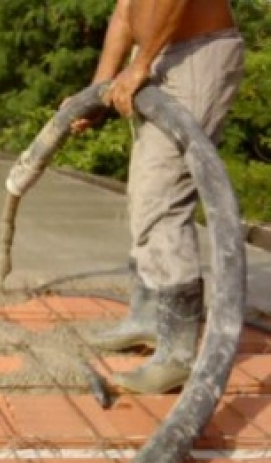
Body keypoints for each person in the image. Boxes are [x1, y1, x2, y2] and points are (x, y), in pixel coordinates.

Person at [77, 0, 245, 394]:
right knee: (146, 193)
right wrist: (97, 89)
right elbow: (126, 10)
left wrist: (141, 64)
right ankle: (148, 318)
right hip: (164, 53)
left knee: (163, 200)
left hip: (195, 52)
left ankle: (176, 355)